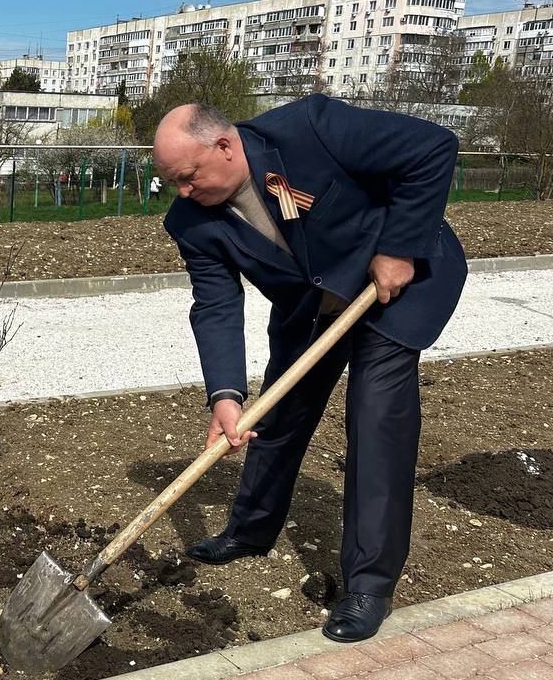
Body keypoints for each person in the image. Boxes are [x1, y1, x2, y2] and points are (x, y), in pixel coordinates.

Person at [154, 95, 466, 642]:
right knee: (276, 413)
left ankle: (369, 584)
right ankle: (250, 530)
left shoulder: (309, 129)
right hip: (313, 306)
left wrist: (398, 248)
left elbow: (432, 148)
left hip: (398, 284)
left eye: (188, 176)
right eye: (174, 182)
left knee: (375, 418)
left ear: (224, 146)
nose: (183, 192)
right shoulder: (191, 221)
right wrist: (224, 395)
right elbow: (216, 305)